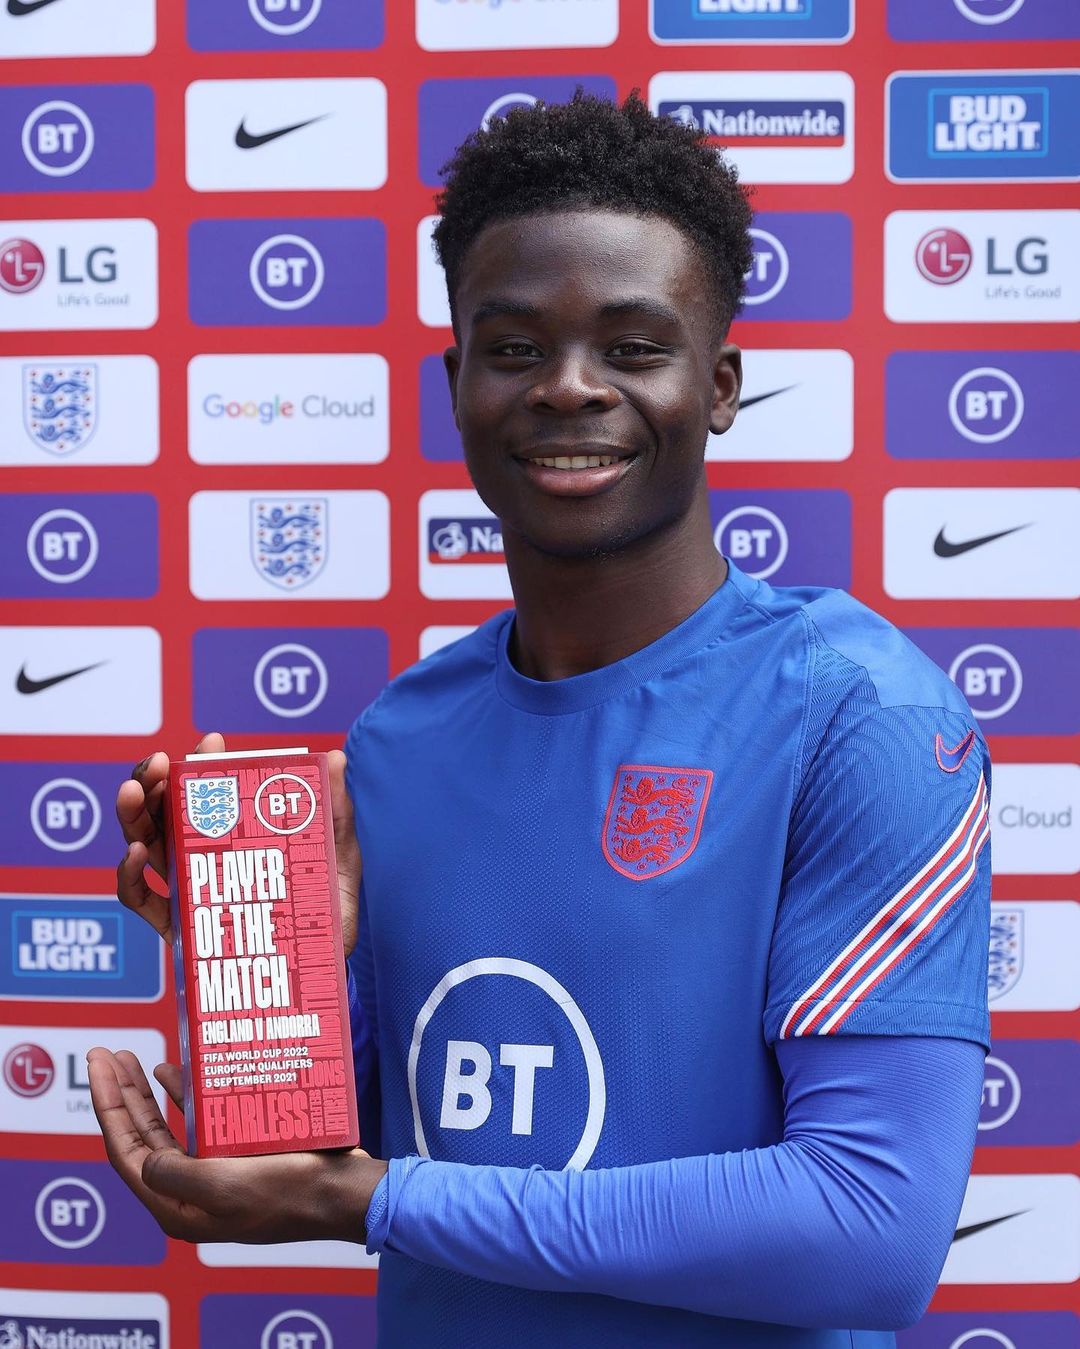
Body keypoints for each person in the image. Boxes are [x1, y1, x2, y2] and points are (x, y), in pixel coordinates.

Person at [90, 93, 991, 1348]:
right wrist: (270, 968)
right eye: (513, 348)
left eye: (632, 347)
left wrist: (384, 1198)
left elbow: (867, 1224)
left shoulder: (862, 712)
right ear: (454, 383)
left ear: (718, 385)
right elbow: (334, 1151)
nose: (570, 389)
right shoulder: (402, 735)